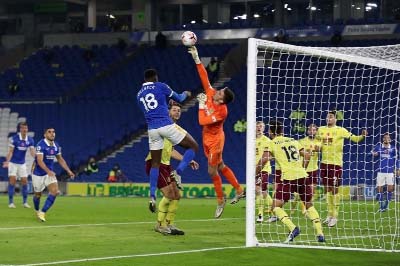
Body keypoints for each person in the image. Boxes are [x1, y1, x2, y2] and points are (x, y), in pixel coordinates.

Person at [188, 46, 245, 218]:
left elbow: (202, 121)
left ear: (222, 99)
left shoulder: (222, 112)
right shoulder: (212, 94)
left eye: (220, 92)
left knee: (212, 171)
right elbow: (204, 78)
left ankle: (221, 200)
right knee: (220, 166)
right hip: (207, 138)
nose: (217, 91)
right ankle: (239, 190)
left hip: (216, 141)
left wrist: (201, 104)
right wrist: (197, 58)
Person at [137, 69, 199, 213]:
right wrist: (186, 93)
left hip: (151, 129)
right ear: (155, 78)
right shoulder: (161, 86)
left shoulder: (139, 94)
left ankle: (152, 196)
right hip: (165, 125)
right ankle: (178, 172)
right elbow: (180, 97)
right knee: (193, 147)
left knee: (155, 163)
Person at [265, 120, 325, 243]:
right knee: (308, 203)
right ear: (282, 131)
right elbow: (307, 155)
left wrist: (255, 172)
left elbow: (263, 160)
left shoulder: (271, 143)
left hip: (288, 178)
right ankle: (320, 233)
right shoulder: (293, 140)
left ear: (270, 132)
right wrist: (302, 168)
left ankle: (293, 228)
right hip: (302, 176)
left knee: (275, 206)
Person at [145, 101, 200, 235]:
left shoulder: (173, 130)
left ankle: (170, 223)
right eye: (174, 110)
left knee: (177, 194)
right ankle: (160, 225)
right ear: (168, 112)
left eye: (179, 110)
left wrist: (187, 159)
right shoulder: (163, 125)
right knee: (169, 194)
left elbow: (171, 150)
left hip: (166, 165)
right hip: (155, 163)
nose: (177, 112)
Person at [317, 110, 367, 227]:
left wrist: (362, 136)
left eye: (331, 117)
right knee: (327, 190)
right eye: (327, 117)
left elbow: (355, 139)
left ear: (335, 119)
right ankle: (329, 215)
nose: (328, 118)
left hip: (336, 164)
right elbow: (317, 143)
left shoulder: (341, 130)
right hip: (324, 163)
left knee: (335, 190)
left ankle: (335, 216)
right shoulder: (321, 130)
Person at [32, 127, 75, 222]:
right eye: (49, 132)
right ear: (45, 135)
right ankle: (36, 210)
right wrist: (48, 171)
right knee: (37, 195)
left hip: (49, 173)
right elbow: (39, 161)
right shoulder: (40, 145)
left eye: (53, 132)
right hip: (38, 173)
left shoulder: (56, 145)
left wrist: (68, 170)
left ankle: (42, 213)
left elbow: (60, 159)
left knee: (55, 191)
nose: (52, 133)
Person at [2, 122, 35, 208]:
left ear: (27, 129)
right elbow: (10, 152)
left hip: (22, 164)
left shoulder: (30, 140)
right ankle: (11, 202)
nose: (24, 130)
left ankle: (25, 202)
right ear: (20, 129)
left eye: (26, 128)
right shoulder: (14, 139)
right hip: (13, 163)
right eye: (23, 128)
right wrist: (7, 161)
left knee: (25, 182)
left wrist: (37, 158)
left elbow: (32, 152)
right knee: (12, 181)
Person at [292, 124, 321, 214]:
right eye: (310, 130)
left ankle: (305, 209)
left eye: (314, 130)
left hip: (313, 169)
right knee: (298, 193)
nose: (312, 131)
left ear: (316, 131)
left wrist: (319, 149)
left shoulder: (319, 142)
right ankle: (293, 208)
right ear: (307, 131)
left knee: (311, 192)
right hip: (303, 169)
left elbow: (322, 149)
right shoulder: (301, 141)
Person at [254, 121, 275, 223]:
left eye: (261, 126)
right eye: (257, 126)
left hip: (264, 169)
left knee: (258, 190)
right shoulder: (251, 140)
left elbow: (272, 154)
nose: (259, 128)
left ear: (264, 128)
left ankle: (260, 215)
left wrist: (268, 158)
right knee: (264, 192)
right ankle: (275, 212)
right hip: (254, 169)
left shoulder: (267, 140)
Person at [372, 133, 398, 212]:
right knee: (379, 189)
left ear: (390, 139)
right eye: (385, 137)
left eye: (388, 138)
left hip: (390, 171)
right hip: (380, 171)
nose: (386, 139)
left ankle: (386, 205)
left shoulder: (393, 148)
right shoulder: (378, 147)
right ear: (383, 139)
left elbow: (397, 159)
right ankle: (381, 206)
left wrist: (397, 168)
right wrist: (374, 153)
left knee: (390, 189)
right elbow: (373, 153)